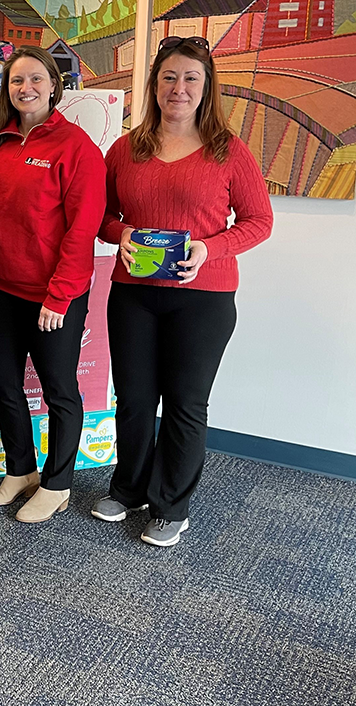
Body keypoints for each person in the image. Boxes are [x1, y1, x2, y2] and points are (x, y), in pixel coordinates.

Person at [91, 35, 273, 546]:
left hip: (205, 298)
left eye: (191, 77)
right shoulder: (126, 149)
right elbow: (101, 217)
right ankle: (128, 489)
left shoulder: (228, 151)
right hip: (133, 293)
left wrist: (208, 250)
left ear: (206, 86)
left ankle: (171, 505)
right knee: (132, 399)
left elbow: (260, 221)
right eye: (169, 76)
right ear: (154, 84)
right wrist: (120, 233)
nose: (179, 87)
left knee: (186, 403)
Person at [0, 45, 107, 524]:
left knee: (60, 391)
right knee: (4, 385)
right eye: (17, 80)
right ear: (7, 88)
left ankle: (58, 483)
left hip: (52, 296)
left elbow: (82, 229)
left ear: (54, 86)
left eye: (36, 79)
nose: (26, 89)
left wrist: (61, 294)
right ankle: (20, 470)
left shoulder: (75, 147)